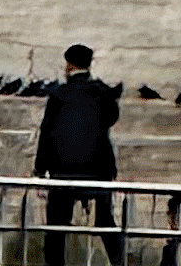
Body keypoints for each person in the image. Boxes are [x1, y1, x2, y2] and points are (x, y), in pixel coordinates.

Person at [36, 47, 123, 263]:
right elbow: (111, 118)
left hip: (63, 169)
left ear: (69, 65)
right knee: (105, 221)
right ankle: (119, 261)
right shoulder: (103, 92)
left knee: (56, 226)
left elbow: (46, 132)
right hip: (98, 167)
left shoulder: (58, 94)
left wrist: (40, 171)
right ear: (89, 64)